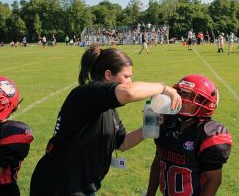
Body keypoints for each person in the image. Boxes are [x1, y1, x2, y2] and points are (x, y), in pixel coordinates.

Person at [30, 45, 181, 196]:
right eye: (127, 76)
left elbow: (122, 143)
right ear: (108, 74)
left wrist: (151, 124)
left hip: (81, 186)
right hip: (58, 185)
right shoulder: (86, 94)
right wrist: (163, 88)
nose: (130, 81)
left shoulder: (106, 107)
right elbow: (129, 92)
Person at [146, 74, 232, 196]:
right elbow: (158, 162)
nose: (182, 99)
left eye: (189, 96)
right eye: (180, 93)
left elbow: (213, 180)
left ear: (204, 102)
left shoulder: (208, 134)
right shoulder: (166, 122)